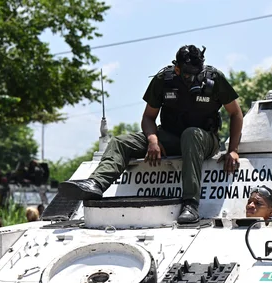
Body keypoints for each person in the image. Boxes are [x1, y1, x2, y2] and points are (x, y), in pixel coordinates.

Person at [60, 44, 244, 224]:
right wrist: (153, 140)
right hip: (170, 136)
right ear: (177, 69)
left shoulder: (214, 79)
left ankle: (190, 204)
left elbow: (235, 113)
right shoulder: (164, 79)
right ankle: (96, 184)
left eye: (196, 73)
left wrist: (233, 150)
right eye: (188, 74)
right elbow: (148, 117)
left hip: (204, 139)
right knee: (120, 142)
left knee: (191, 134)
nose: (193, 79)